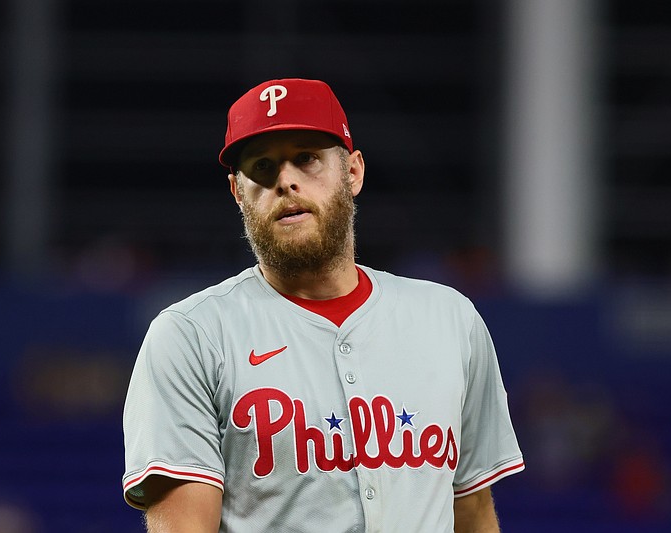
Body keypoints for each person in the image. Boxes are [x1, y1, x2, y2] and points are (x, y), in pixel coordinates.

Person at [122, 78, 524, 532]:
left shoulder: (450, 320)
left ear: (352, 172)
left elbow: (472, 512)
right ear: (238, 192)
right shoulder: (192, 335)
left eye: (306, 158)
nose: (285, 180)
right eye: (262, 167)